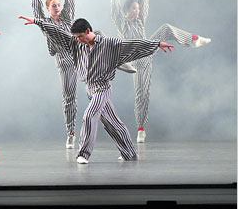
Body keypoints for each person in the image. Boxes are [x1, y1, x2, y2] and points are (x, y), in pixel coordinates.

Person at [18, 15, 173, 163]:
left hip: (102, 88)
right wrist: (38, 22)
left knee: (90, 114)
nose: (78, 39)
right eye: (76, 37)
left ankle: (83, 154)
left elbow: (132, 44)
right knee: (113, 123)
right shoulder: (75, 43)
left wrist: (156, 44)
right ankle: (130, 154)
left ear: (88, 31)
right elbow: (58, 32)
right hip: (90, 89)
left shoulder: (110, 44)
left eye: (80, 36)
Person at [31, 0, 136, 149]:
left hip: (80, 54)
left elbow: (70, 0)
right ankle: (70, 133)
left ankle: (119, 61)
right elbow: (36, 11)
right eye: (54, 6)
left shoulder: (66, 18)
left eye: (58, 5)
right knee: (69, 97)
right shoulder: (46, 24)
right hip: (65, 61)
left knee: (100, 35)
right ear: (48, 9)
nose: (57, 7)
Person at [111, 0, 211, 143]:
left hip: (147, 51)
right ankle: (141, 128)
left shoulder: (140, 21)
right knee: (141, 94)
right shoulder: (123, 23)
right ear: (127, 10)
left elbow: (146, 4)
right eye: (134, 8)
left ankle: (192, 40)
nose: (138, 10)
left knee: (165, 28)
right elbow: (114, 9)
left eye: (138, 8)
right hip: (134, 58)